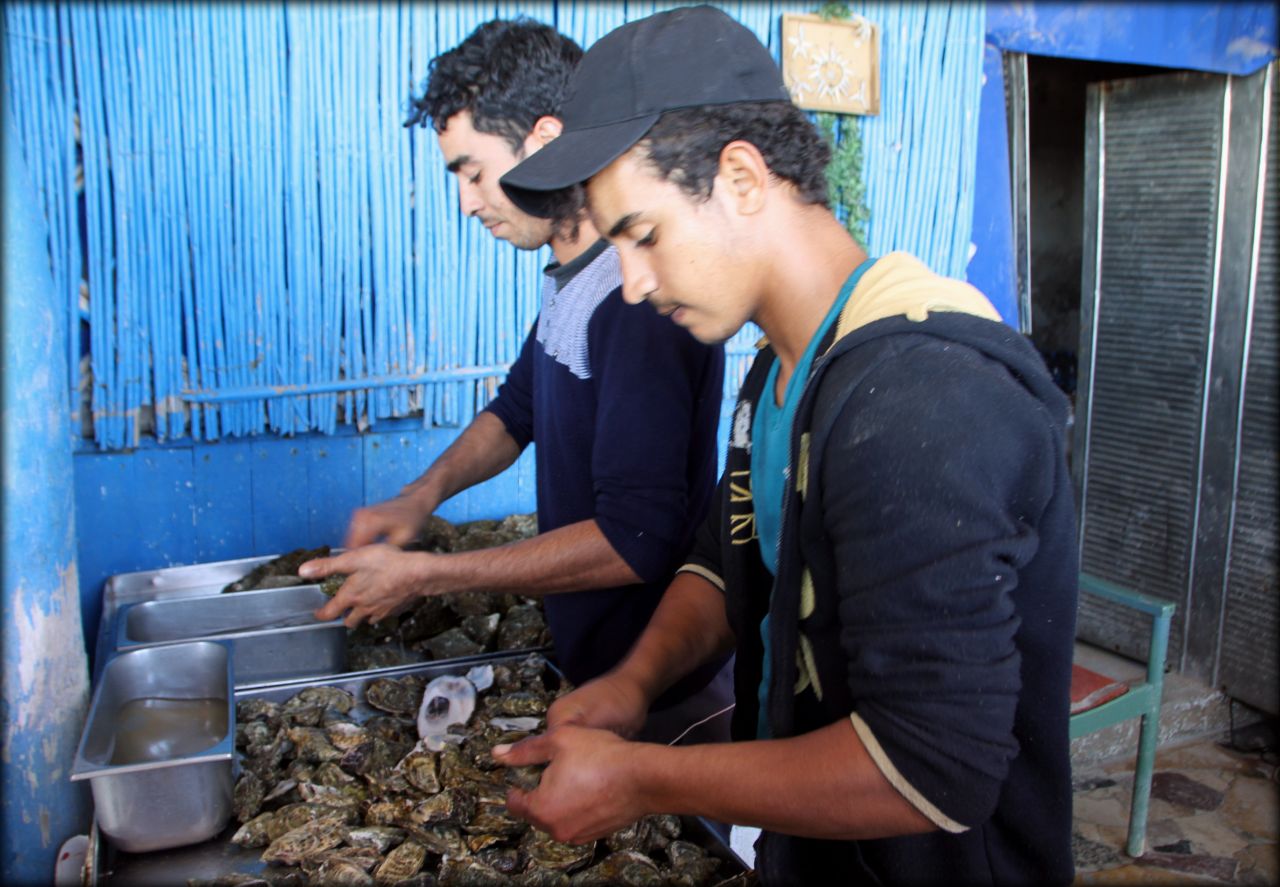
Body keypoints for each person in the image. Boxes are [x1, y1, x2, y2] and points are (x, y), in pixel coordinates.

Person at [491, 7, 1079, 885]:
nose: (635, 283)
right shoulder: (779, 373)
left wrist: (646, 776)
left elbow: (932, 769)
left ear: (740, 177)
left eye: (643, 235)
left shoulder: (923, 398)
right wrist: (635, 683)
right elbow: (729, 563)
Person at [302, 18, 732, 745]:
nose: (468, 201)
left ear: (544, 138)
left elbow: (636, 540)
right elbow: (518, 408)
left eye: (472, 171)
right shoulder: (571, 276)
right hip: (590, 668)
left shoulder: (640, 299)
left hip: (661, 694)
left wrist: (430, 575)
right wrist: (420, 497)